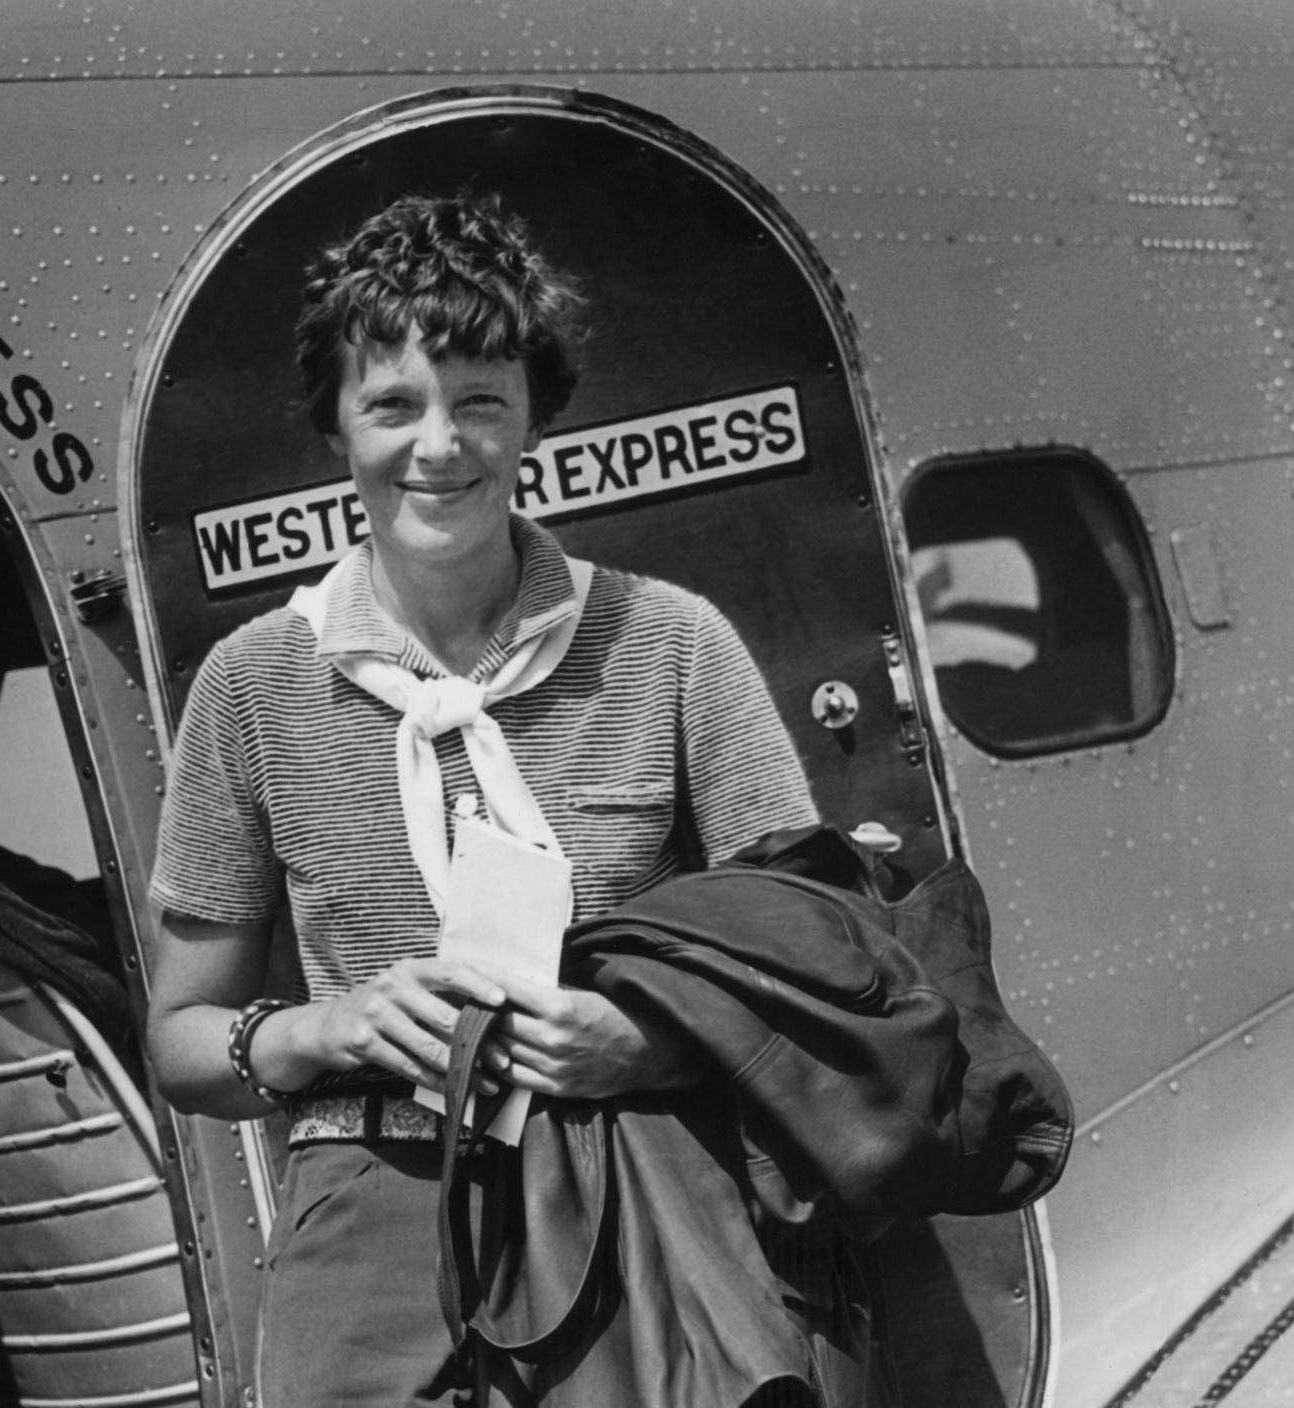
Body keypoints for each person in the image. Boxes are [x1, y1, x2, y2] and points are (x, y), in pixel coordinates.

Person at [144, 192, 821, 1404]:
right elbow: (182, 1036)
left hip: (637, 1187)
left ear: (534, 417)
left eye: (480, 401)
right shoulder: (250, 685)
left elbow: (811, 961)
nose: (440, 445)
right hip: (369, 1219)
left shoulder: (671, 643)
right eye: (393, 404)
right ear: (335, 425)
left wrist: (648, 1042)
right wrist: (325, 1030)